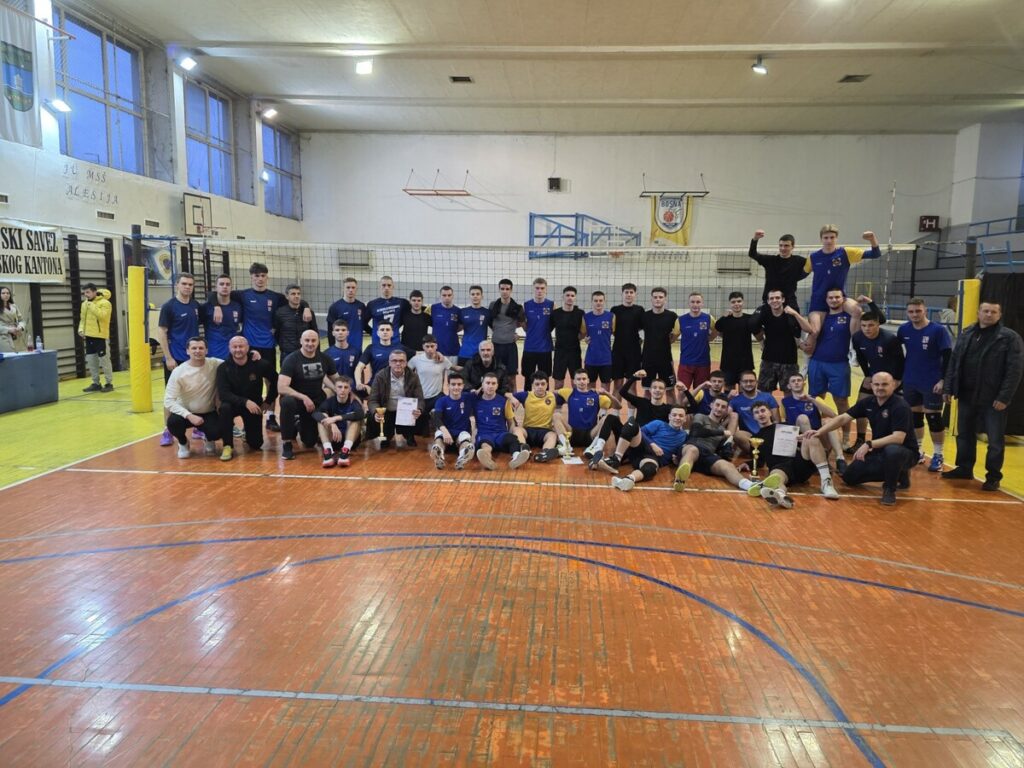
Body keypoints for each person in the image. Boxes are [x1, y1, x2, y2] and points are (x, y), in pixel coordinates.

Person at [942, 300, 1023, 492]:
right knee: (964, 435)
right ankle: (964, 468)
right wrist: (948, 387)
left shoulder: (1009, 338)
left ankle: (993, 477)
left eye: (993, 312)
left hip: (993, 398)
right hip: (966, 395)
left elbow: (1014, 371)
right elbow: (954, 362)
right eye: (985, 311)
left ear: (999, 315)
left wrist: (1004, 397)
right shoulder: (967, 334)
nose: (989, 315)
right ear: (978, 312)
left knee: (995, 440)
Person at [806, 372, 917, 506]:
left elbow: (898, 438)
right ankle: (899, 473)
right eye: (877, 384)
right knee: (849, 477)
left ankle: (889, 489)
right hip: (879, 451)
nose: (880, 388)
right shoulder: (868, 402)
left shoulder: (900, 406)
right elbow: (843, 418)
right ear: (871, 385)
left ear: (893, 385)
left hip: (905, 453)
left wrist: (868, 444)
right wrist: (819, 432)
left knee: (892, 451)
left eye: (884, 384)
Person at [228, 262, 313, 434]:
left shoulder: (275, 297)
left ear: (267, 277)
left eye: (263, 276)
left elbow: (295, 299)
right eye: (257, 276)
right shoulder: (242, 295)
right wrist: (215, 305)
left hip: (268, 345)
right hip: (249, 346)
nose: (260, 279)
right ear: (251, 277)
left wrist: (306, 307)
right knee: (246, 381)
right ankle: (244, 417)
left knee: (270, 381)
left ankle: (271, 417)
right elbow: (216, 294)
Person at [747, 402, 840, 507]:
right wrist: (747, 464)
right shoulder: (755, 439)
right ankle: (781, 496)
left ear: (770, 413)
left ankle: (827, 483)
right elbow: (758, 461)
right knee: (775, 478)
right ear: (754, 417)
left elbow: (801, 442)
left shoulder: (786, 426)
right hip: (779, 468)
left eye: (763, 410)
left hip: (799, 462)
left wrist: (802, 439)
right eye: (756, 412)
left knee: (811, 436)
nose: (760, 414)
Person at [898, 297, 953, 471]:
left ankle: (938, 454)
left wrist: (943, 380)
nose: (915, 314)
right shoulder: (904, 329)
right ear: (907, 313)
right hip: (910, 380)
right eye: (911, 311)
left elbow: (948, 357)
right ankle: (918, 451)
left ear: (925, 310)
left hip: (932, 381)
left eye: (918, 311)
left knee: (934, 418)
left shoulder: (938, 330)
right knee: (914, 417)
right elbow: (896, 352)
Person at [804, 225, 880, 343]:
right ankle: (807, 352)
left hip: (839, 298)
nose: (829, 240)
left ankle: (855, 345)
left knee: (857, 311)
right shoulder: (813, 257)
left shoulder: (845, 253)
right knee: (815, 332)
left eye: (832, 237)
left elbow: (875, 254)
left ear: (836, 238)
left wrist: (872, 239)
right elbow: (802, 274)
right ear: (821, 239)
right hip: (819, 300)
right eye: (826, 238)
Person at [672, 396, 758, 494]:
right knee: (693, 450)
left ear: (726, 410)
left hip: (707, 455)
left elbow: (721, 451)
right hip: (691, 448)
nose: (719, 408)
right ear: (711, 405)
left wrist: (728, 448)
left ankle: (750, 486)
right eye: (717, 405)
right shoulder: (701, 417)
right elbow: (696, 432)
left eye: (723, 407)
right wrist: (721, 433)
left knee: (728, 465)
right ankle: (679, 481)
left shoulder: (723, 430)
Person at [806, 289, 859, 445]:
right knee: (815, 398)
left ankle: (846, 437)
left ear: (843, 299)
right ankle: (815, 433)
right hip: (817, 362)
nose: (834, 300)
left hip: (839, 364)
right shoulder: (819, 317)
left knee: (841, 401)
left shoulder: (849, 316)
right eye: (831, 297)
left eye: (837, 297)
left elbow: (857, 326)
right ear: (826, 299)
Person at [277, 329, 341, 460]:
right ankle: (287, 443)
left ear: (318, 342)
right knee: (287, 402)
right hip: (296, 400)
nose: (310, 343)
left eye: (313, 340)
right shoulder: (291, 359)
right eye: (307, 340)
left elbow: (338, 380)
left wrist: (347, 393)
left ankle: (298, 423)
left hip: (316, 400)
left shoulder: (325, 359)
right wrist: (303, 397)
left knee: (310, 442)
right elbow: (281, 387)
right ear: (301, 341)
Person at [851, 304, 904, 452]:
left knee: (894, 410)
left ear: (877, 324)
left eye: (871, 325)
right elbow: (861, 358)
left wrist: (897, 379)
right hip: (874, 376)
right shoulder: (857, 338)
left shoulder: (889, 339)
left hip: (892, 378)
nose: (867, 329)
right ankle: (860, 439)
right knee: (861, 405)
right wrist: (867, 375)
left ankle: (892, 443)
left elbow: (900, 360)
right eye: (864, 325)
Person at [215, 335, 277, 460]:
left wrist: (268, 401)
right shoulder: (223, 368)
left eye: (241, 346)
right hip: (233, 404)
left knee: (256, 444)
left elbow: (276, 381)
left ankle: (247, 433)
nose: (238, 349)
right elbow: (224, 393)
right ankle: (227, 445)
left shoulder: (260, 364)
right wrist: (245, 402)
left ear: (248, 348)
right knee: (225, 408)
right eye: (235, 347)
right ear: (229, 348)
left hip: (253, 406)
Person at [157, 273, 201, 446]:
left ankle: (197, 427)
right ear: (177, 285)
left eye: (190, 284)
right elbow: (162, 332)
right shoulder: (169, 306)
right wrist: (168, 357)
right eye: (184, 284)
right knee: (171, 396)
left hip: (193, 358)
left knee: (195, 393)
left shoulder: (195, 305)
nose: (187, 287)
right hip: (175, 358)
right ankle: (167, 430)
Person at [603, 407, 689, 492]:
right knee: (632, 424)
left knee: (650, 469)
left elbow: (682, 452)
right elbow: (641, 431)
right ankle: (616, 458)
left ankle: (629, 479)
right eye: (674, 415)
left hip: (654, 458)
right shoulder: (659, 424)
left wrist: (677, 459)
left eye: (681, 416)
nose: (677, 418)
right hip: (643, 447)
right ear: (669, 416)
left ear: (685, 418)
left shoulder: (684, 436)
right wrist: (652, 444)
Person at [164, 336, 223, 459]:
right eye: (194, 348)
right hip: (186, 414)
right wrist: (189, 415)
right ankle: (183, 443)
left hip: (207, 412)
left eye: (201, 348)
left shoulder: (215, 363)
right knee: (173, 423)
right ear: (187, 351)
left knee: (218, 431)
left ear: (206, 350)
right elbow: (168, 401)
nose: (197, 351)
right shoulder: (179, 371)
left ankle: (209, 438)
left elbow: (235, 361)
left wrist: (252, 354)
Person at [779, 372, 846, 473]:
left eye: (799, 380)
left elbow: (833, 415)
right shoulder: (785, 402)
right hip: (800, 440)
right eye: (793, 381)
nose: (796, 383)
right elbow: (783, 423)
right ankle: (817, 458)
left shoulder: (815, 398)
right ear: (789, 386)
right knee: (802, 418)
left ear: (804, 383)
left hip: (819, 437)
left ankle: (840, 459)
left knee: (829, 421)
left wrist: (812, 400)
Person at [367, 348, 425, 451]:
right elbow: (372, 400)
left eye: (401, 361)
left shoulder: (413, 376)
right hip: (387, 411)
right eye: (394, 361)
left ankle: (410, 435)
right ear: (389, 363)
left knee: (422, 413)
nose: (398, 363)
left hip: (406, 413)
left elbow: (420, 398)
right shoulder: (380, 376)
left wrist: (419, 409)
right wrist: (376, 412)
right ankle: (385, 436)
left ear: (406, 363)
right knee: (372, 416)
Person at [472, 371, 531, 470]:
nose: (490, 386)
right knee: (485, 446)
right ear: (482, 384)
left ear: (497, 385)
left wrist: (512, 434)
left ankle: (516, 458)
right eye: (487, 383)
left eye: (493, 383)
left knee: (512, 440)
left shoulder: (504, 401)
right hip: (484, 434)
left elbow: (510, 421)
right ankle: (488, 461)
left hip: (500, 434)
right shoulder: (475, 401)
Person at [556, 369, 620, 457]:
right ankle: (566, 446)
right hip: (572, 433)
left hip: (590, 434)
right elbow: (552, 392)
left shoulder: (596, 396)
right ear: (574, 381)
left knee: (606, 418)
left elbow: (618, 406)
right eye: (578, 379)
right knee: (556, 416)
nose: (581, 381)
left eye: (584, 379)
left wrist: (607, 393)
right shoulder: (568, 392)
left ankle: (593, 448)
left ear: (588, 380)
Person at [755, 290, 804, 393]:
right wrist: (761, 342)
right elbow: (752, 325)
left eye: (777, 298)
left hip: (789, 361)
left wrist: (795, 313)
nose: (775, 300)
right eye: (772, 298)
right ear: (768, 301)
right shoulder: (765, 315)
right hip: (768, 360)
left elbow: (808, 329)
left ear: (783, 299)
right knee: (764, 393)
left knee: (790, 393)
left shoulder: (791, 315)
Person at [511, 371, 564, 463]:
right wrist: (512, 398)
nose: (540, 386)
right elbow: (506, 395)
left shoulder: (553, 396)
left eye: (543, 384)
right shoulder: (526, 395)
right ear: (532, 385)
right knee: (517, 430)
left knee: (553, 435)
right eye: (537, 384)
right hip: (528, 430)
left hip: (545, 431)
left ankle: (545, 453)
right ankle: (524, 450)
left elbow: (571, 396)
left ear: (547, 384)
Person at [748, 230, 808, 310]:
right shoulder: (770, 260)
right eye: (781, 245)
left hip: (789, 301)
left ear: (793, 247)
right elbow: (752, 254)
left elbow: (813, 265)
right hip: (771, 300)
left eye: (786, 246)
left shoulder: (799, 261)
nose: (783, 248)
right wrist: (755, 239)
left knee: (795, 317)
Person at [429, 371, 477, 470]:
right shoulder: (441, 401)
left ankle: (462, 457)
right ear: (448, 386)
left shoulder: (468, 397)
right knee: (439, 435)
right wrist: (445, 432)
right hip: (446, 435)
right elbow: (437, 418)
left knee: (465, 438)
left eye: (459, 384)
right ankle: (438, 454)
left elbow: (484, 390)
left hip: (461, 434)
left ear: (463, 386)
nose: (456, 387)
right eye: (453, 384)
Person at [314, 375, 365, 468]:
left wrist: (336, 418)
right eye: (340, 387)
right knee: (323, 418)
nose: (342, 390)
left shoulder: (354, 402)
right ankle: (328, 452)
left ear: (350, 390)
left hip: (350, 440)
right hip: (333, 439)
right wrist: (332, 424)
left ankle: (345, 452)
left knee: (355, 420)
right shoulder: (329, 402)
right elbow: (315, 413)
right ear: (335, 389)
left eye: (346, 387)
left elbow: (361, 414)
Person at [408, 334, 453, 433]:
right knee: (420, 431)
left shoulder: (442, 359)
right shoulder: (416, 359)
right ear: (423, 347)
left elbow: (454, 368)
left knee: (443, 405)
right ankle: (426, 422)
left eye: (432, 346)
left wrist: (469, 368)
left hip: (437, 396)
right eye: (427, 346)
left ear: (436, 346)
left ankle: (439, 425)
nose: (430, 349)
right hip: (421, 397)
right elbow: (406, 372)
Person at [714, 291, 760, 388]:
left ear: (743, 302)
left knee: (745, 390)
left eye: (739, 301)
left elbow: (758, 333)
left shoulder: (750, 319)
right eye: (733, 302)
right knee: (728, 391)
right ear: (730, 304)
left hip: (746, 363)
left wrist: (763, 344)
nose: (736, 304)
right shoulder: (725, 320)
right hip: (728, 362)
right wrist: (724, 317)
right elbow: (717, 330)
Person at [728, 370, 780, 454]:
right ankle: (759, 454)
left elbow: (777, 420)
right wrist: (728, 398)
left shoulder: (768, 397)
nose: (748, 383)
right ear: (740, 383)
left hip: (768, 435)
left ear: (756, 382)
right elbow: (724, 416)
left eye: (751, 381)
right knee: (738, 435)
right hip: (750, 437)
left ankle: (763, 453)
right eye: (745, 381)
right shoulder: (735, 401)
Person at [640, 287, 679, 393]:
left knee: (670, 390)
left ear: (665, 299)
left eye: (660, 297)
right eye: (655, 297)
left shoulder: (672, 316)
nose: (658, 299)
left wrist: (672, 340)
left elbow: (677, 332)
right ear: (651, 299)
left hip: (665, 359)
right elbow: (634, 330)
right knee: (647, 391)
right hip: (647, 359)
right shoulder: (644, 316)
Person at [610, 282, 645, 397]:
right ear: (622, 294)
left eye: (631, 292)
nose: (629, 294)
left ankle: (631, 410)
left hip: (634, 352)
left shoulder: (639, 310)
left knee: (631, 386)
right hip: (618, 351)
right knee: (617, 385)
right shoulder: (615, 310)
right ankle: (616, 409)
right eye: (626, 292)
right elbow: (611, 329)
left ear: (635, 294)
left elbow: (643, 326)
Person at [78, 282, 114, 392]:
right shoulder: (84, 304)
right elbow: (83, 319)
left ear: (94, 292)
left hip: (100, 336)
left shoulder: (105, 303)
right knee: (91, 361)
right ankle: (96, 383)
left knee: (104, 361)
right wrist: (81, 329)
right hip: (89, 336)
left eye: (88, 292)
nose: (86, 295)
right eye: (84, 293)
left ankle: (109, 383)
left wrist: (91, 305)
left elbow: (103, 316)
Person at [354, 320, 408, 393]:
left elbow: (417, 354)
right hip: (376, 385)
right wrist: (358, 383)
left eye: (387, 330)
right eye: (382, 330)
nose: (385, 332)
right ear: (378, 333)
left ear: (392, 333)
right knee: (357, 393)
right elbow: (359, 367)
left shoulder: (400, 348)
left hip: (396, 385)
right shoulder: (371, 348)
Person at [677, 292, 717, 389]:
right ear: (688, 304)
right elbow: (673, 337)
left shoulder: (709, 318)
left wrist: (708, 339)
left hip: (703, 363)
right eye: (692, 302)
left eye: (698, 302)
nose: (695, 304)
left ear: (702, 304)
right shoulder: (680, 320)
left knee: (701, 392)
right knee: (682, 392)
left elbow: (716, 331)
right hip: (686, 362)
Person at [551, 286, 586, 387]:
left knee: (576, 382)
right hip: (559, 352)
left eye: (572, 295)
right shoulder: (555, 313)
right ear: (563, 297)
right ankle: (558, 399)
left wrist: (576, 339)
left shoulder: (580, 313)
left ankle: (575, 398)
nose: (570, 297)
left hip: (575, 352)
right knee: (558, 383)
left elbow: (584, 332)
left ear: (575, 297)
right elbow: (547, 329)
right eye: (567, 295)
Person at [202, 274, 241, 362]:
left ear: (231, 287)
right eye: (221, 284)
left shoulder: (237, 306)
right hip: (213, 353)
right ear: (216, 287)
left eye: (228, 284)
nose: (225, 287)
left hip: (233, 353)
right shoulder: (206, 307)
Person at [488, 279, 524, 377]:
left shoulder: (517, 307)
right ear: (499, 289)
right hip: (495, 345)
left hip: (510, 346)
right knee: (495, 375)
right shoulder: (492, 305)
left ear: (511, 290)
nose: (505, 291)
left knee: (511, 377)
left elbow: (521, 323)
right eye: (502, 289)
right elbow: (490, 322)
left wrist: (511, 331)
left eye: (507, 289)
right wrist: (499, 330)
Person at [521, 277, 555, 381]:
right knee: (528, 379)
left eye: (542, 288)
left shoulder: (552, 305)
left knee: (544, 379)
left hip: (545, 348)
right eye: (537, 288)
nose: (539, 291)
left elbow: (554, 324)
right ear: (533, 289)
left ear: (546, 289)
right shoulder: (525, 305)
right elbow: (523, 324)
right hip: (529, 348)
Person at [273, 283, 318, 357]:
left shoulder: (308, 312)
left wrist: (317, 352)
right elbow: (277, 333)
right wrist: (284, 346)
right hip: (287, 353)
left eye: (298, 294)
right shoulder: (280, 313)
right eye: (293, 294)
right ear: (287, 296)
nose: (296, 296)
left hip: (305, 352)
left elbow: (315, 332)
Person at [325, 277, 367, 355]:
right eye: (348, 287)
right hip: (341, 349)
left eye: (353, 287)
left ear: (356, 289)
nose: (350, 290)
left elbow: (364, 325)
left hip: (357, 349)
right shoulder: (335, 307)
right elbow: (330, 330)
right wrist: (332, 349)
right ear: (343, 289)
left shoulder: (361, 306)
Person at [364, 275, 410, 345]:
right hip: (378, 343)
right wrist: (373, 332)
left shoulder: (402, 303)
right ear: (380, 287)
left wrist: (397, 327)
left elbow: (413, 311)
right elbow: (363, 323)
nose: (386, 288)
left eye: (389, 285)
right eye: (383, 285)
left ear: (393, 287)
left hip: (395, 342)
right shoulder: (372, 304)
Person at [583, 290, 614, 389]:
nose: (598, 303)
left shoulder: (611, 316)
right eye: (596, 300)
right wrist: (585, 339)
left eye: (600, 300)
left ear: (604, 301)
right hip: (591, 359)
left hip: (606, 359)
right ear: (591, 302)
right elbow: (582, 334)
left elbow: (617, 333)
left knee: (605, 389)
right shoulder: (586, 317)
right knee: (590, 388)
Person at [457, 285, 491, 366]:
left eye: (477, 294)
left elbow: (496, 328)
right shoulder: (463, 312)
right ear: (469, 296)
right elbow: (456, 329)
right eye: (473, 294)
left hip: (480, 353)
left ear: (482, 296)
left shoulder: (487, 313)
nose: (475, 296)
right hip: (465, 353)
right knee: (462, 374)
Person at [431, 285, 462, 364]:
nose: (447, 297)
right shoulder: (433, 308)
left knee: (452, 372)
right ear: (440, 296)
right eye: (444, 295)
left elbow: (461, 326)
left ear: (453, 296)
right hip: (436, 351)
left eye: (449, 295)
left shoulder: (458, 311)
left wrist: (450, 331)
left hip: (453, 351)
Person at [0, 285, 28, 353]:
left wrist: (20, 327)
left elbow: (21, 320)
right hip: (3, 336)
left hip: (16, 334)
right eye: (3, 293)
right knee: (9, 356)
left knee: (20, 356)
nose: (6, 295)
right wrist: (9, 330)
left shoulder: (14, 306)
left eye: (8, 293)